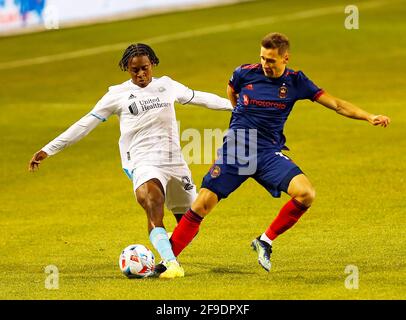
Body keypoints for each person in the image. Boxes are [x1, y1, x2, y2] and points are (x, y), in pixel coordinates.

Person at [164, 32, 391, 277]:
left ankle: (265, 240)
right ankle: (168, 261)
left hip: (269, 152)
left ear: (285, 58)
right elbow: (231, 91)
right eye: (262, 58)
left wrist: (369, 116)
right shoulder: (244, 73)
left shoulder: (297, 81)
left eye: (271, 60)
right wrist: (239, 116)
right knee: (202, 204)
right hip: (239, 148)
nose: (265, 65)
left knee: (306, 193)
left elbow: (336, 104)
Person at [28, 43, 233, 279]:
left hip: (173, 162)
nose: (140, 74)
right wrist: (48, 149)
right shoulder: (116, 94)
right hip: (142, 161)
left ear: (152, 65)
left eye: (144, 68)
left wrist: (237, 107)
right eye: (134, 70)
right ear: (127, 68)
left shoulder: (167, 85)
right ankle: (171, 263)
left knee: (190, 222)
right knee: (152, 203)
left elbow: (201, 98)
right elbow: (85, 124)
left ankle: (165, 253)